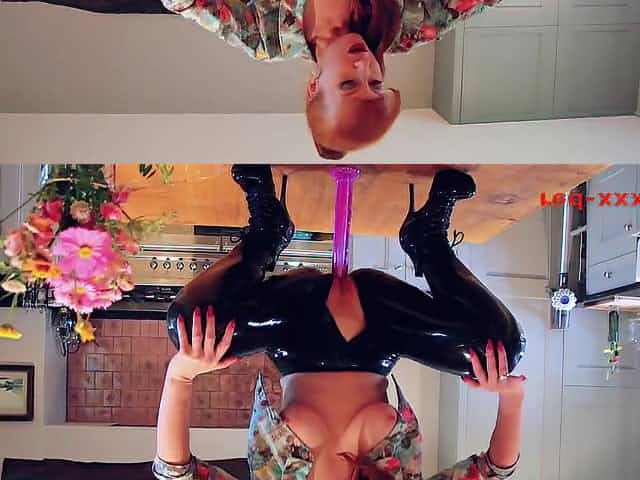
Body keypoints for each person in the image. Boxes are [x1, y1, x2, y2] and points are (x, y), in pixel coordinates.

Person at [153, 164, 526, 479]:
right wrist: (511, 397)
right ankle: (427, 239)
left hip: (294, 325)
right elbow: (492, 470)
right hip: (382, 326)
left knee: (188, 329)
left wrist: (180, 375)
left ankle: (266, 233)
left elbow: (176, 473)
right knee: (502, 351)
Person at [9, 0, 503, 158]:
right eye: (376, 84)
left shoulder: (265, 35)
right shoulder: (409, 24)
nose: (365, 69)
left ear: (314, 88)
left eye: (348, 86)